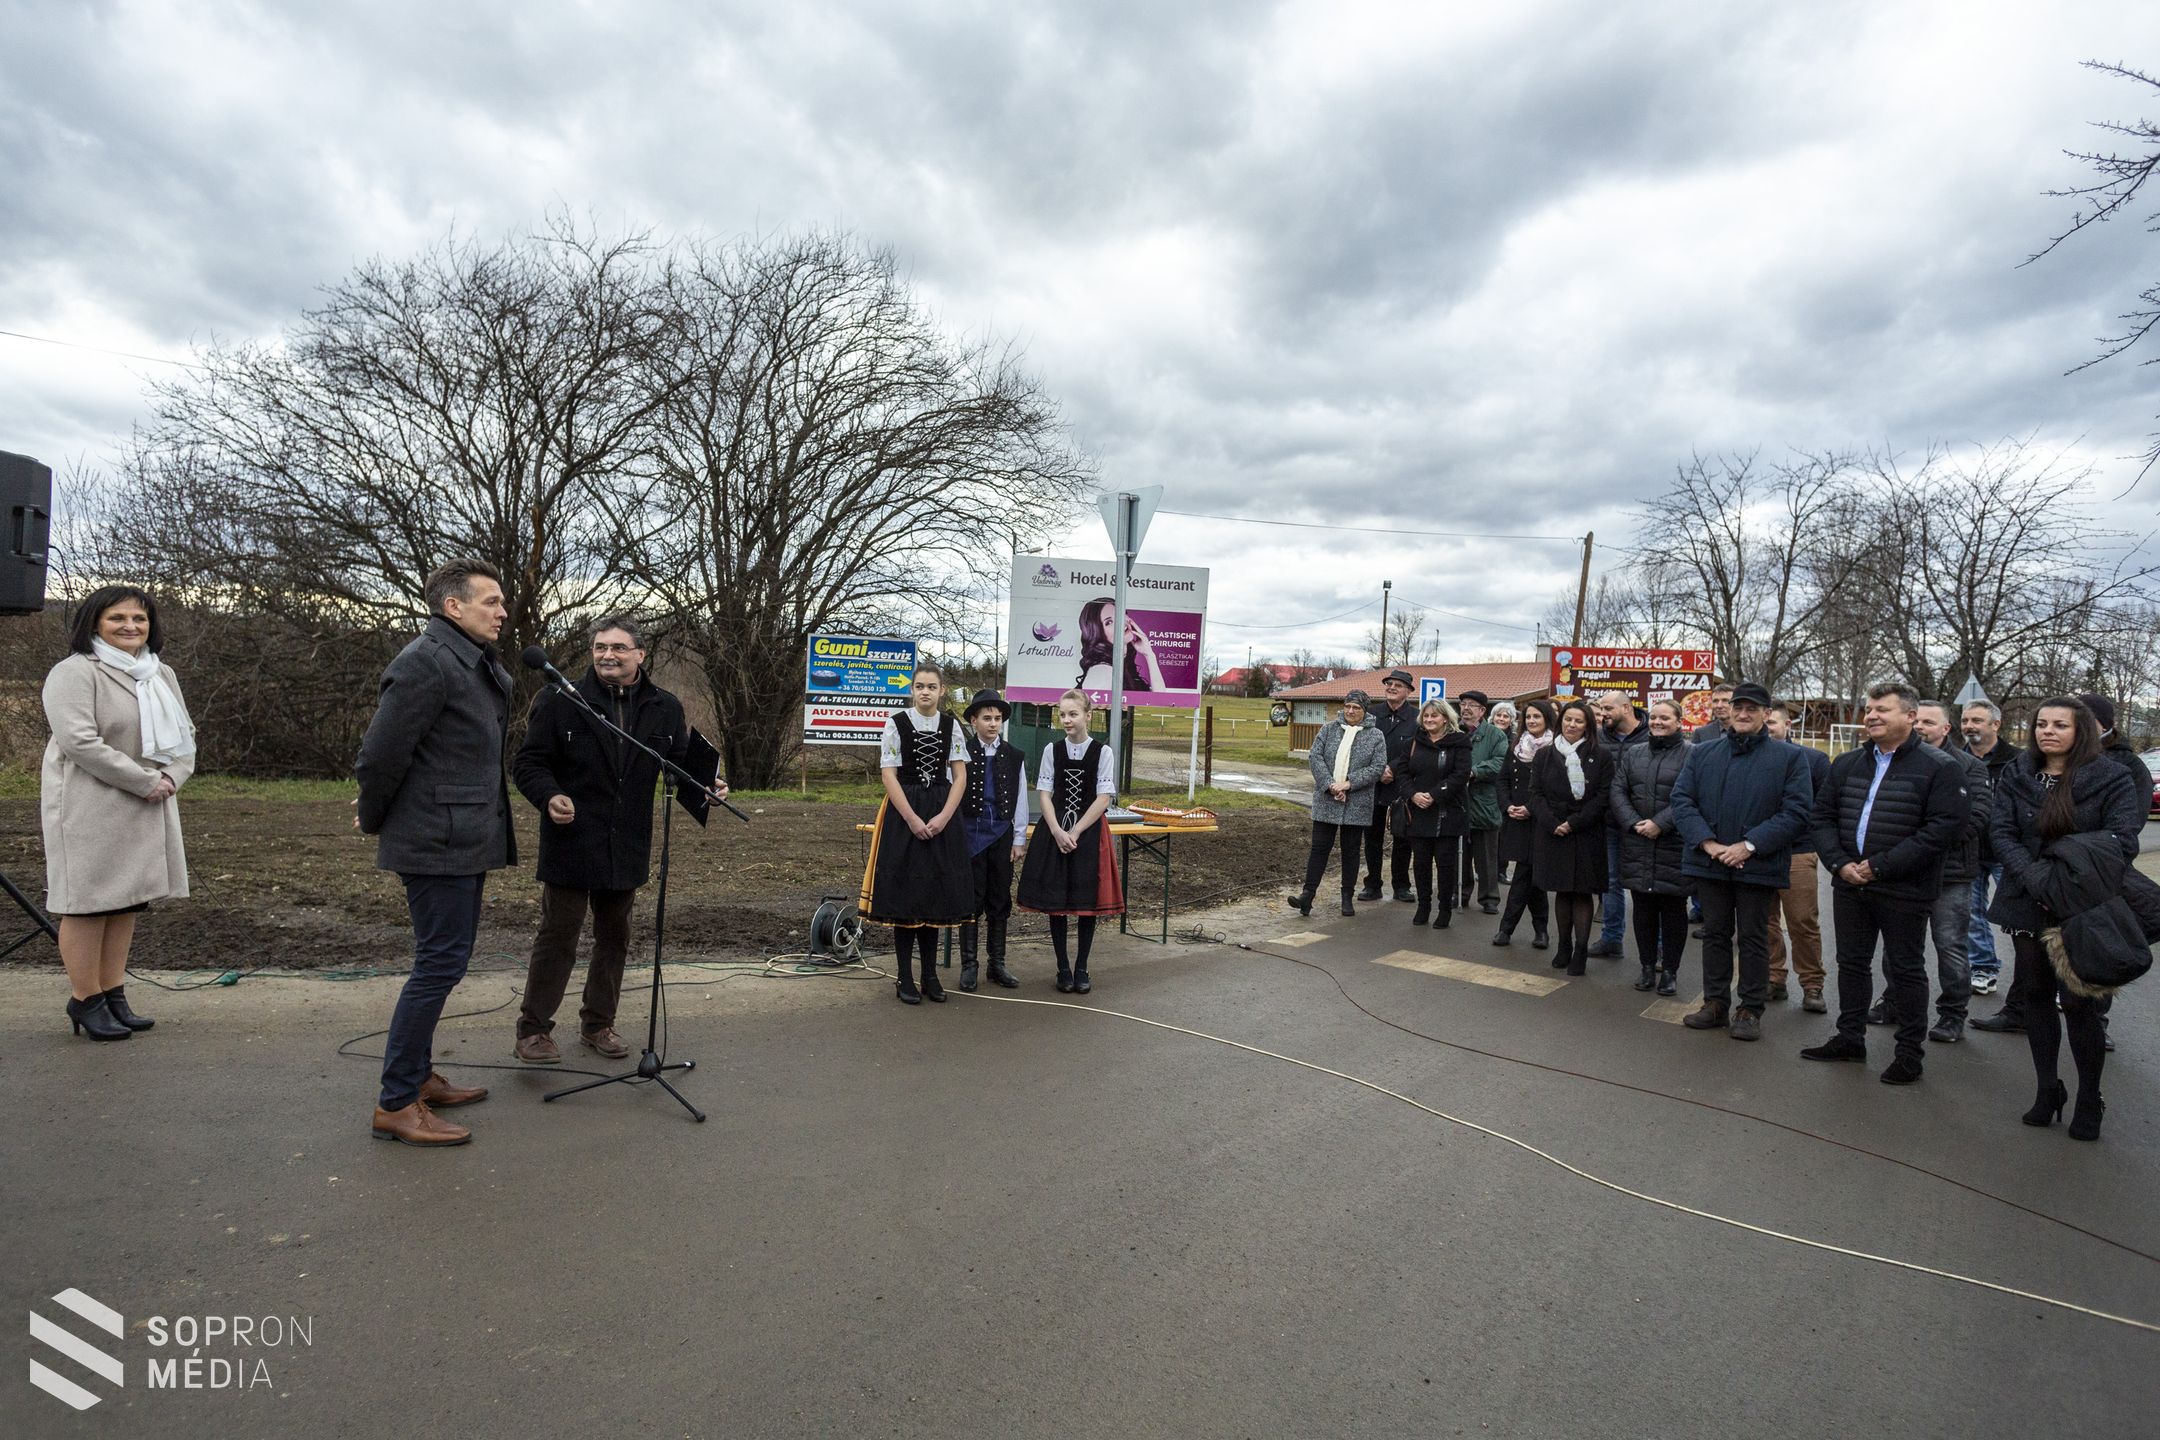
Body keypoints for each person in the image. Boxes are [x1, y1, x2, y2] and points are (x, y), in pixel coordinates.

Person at [355, 559, 517, 1146]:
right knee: (438, 965)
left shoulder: (469, 661)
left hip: (463, 837)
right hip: (434, 840)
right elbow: (380, 755)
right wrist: (376, 818)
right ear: (454, 607)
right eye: (490, 602)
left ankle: (419, 1078)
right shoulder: (425, 663)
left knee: (445, 960)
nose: (502, 612)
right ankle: (396, 1101)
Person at [510, 618, 716, 1064]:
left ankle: (598, 1024)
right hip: (571, 839)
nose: (608, 655)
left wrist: (707, 787)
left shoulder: (665, 707)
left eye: (619, 648)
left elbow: (678, 768)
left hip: (626, 843)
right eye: (601, 647)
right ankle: (533, 1030)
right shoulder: (560, 699)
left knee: (614, 937)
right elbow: (528, 764)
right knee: (558, 935)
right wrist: (549, 796)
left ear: (641, 655)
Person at [41, 585, 196, 1041]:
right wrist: (146, 781)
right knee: (88, 904)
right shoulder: (73, 673)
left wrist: (171, 778)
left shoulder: (159, 673)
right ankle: (85, 998)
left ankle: (113, 993)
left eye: (139, 619)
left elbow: (184, 736)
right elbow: (80, 742)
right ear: (94, 623)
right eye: (117, 618)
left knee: (127, 900)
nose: (131, 626)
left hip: (149, 801)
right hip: (91, 804)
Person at [1987, 697, 2144, 1141]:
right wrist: (2032, 874)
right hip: (2026, 897)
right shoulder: (2018, 772)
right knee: (2035, 995)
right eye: (2041, 723)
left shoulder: (2110, 776)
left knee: (2079, 1005)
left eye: (2060, 724)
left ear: (2083, 732)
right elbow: (2000, 831)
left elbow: (2122, 839)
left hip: (2082, 904)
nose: (2048, 731)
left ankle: (2090, 1096)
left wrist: (2058, 871)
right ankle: (2047, 1088)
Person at [1799, 681, 1969, 1085]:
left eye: (1882, 710)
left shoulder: (1941, 768)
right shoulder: (1846, 764)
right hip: (1850, 885)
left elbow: (1941, 831)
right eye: (1869, 709)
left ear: (1910, 717)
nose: (1871, 715)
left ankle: (1909, 1054)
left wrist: (1879, 866)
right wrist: (1840, 864)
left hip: (1904, 888)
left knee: (1907, 970)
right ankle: (1849, 1038)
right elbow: (1821, 818)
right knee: (1852, 964)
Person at [1669, 682, 1814, 1039]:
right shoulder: (1703, 753)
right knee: (1715, 935)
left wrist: (1749, 846)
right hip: (1711, 861)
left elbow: (1796, 812)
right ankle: (1715, 1004)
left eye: (1752, 709)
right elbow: (1682, 800)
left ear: (1767, 714)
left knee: (1753, 937)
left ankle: (1749, 1009)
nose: (1744, 714)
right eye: (1739, 707)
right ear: (1730, 711)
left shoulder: (1790, 758)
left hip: (1758, 864)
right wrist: (1708, 843)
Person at [861, 664, 975, 1006]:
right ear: (912, 690)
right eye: (919, 686)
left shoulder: (952, 725)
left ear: (942, 690)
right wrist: (911, 818)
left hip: (941, 810)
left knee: (934, 893)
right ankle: (904, 976)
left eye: (931, 686)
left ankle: (930, 974)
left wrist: (943, 817)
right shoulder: (895, 724)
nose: (925, 692)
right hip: (904, 813)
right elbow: (889, 776)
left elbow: (960, 776)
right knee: (907, 893)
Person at [1874, 701, 1989, 1043]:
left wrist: (1926, 844)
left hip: (1950, 874)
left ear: (1946, 729)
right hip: (1903, 871)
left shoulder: (1969, 766)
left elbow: (1976, 817)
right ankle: (1894, 1002)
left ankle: (1952, 1014)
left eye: (1929, 721)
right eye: (1916, 719)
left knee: (1950, 945)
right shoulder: (1897, 761)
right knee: (1898, 945)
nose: (1920, 726)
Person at [1018, 688, 1124, 992]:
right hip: (1055, 831)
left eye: (1073, 714)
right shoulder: (1053, 750)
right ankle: (1062, 967)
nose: (1066, 720)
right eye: (1062, 714)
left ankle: (1082, 967)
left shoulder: (1102, 752)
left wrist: (1076, 831)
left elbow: (1103, 797)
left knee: (1085, 901)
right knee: (1057, 903)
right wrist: (1056, 831)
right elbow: (1045, 794)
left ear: (1088, 716)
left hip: (1088, 833)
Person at [1610, 698, 1691, 995]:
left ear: (1679, 722)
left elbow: (1690, 797)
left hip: (1674, 843)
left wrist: (1660, 823)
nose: (1657, 722)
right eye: (1654, 717)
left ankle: (1670, 971)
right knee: (1642, 908)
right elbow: (1618, 790)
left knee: (1672, 910)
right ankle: (1646, 968)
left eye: (1665, 718)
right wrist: (1634, 823)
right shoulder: (1635, 753)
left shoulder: (1691, 755)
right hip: (1637, 841)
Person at [1528, 701, 1612, 976]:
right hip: (1553, 832)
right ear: (1560, 722)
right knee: (1562, 891)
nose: (1572, 725)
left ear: (1588, 725)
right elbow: (1535, 794)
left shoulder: (1600, 756)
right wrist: (1553, 823)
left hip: (1585, 832)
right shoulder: (1544, 755)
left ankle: (1580, 950)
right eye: (1567, 720)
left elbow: (1602, 796)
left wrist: (1574, 823)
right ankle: (1563, 946)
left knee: (1582, 892)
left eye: (1578, 721)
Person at [1288, 689, 1387, 918]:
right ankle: (1307, 896)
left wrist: (1348, 784)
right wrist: (1331, 784)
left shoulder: (1376, 736)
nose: (1351, 711)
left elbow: (1377, 767)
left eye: (1357, 708)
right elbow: (1316, 757)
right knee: (1319, 848)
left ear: (1364, 711)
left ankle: (1346, 897)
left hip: (1357, 801)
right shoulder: (1328, 729)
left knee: (1351, 851)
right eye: (1348, 706)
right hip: (1327, 797)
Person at [955, 689, 1028, 991]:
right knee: (971, 900)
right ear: (973, 720)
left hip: (1001, 834)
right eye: (987, 718)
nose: (993, 723)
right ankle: (969, 965)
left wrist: (1019, 838)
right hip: (969, 834)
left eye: (997, 718)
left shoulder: (1013, 756)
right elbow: (952, 793)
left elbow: (1021, 796)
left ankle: (996, 964)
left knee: (999, 899)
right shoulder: (960, 752)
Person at [1763, 702, 1830, 1013]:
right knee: (1765, 922)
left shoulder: (1814, 760)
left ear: (1787, 725)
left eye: (1772, 723)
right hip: (1757, 853)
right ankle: (1774, 978)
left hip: (1798, 852)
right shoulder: (1748, 759)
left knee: (1802, 921)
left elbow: (1823, 809)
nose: (1766, 728)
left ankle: (1812, 984)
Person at [1398, 698, 1473, 927]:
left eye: (1434, 716)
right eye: (1426, 716)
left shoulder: (1459, 742)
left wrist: (1434, 794)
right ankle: (1423, 906)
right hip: (1418, 812)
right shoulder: (1413, 742)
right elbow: (1402, 774)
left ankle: (1444, 909)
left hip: (1447, 812)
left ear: (1445, 718)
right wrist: (1413, 794)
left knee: (1445, 865)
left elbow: (1461, 775)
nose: (1429, 720)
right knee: (1420, 864)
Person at [1958, 699, 2015, 997]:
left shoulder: (2018, 760)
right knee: (1971, 913)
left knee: (2020, 915)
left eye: (1976, 720)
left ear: (1995, 724)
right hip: (1969, 850)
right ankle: (1983, 967)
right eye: (1965, 720)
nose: (1969, 726)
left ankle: (2038, 978)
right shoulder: (1954, 759)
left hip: (2007, 851)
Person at [1590, 692, 1650, 957]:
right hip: (1609, 823)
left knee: (1645, 887)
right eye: (1601, 709)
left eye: (1608, 709)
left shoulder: (1652, 736)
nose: (1603, 714)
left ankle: (1656, 950)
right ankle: (1612, 939)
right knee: (1611, 882)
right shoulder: (1601, 737)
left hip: (1644, 825)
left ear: (1626, 708)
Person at [1492, 699, 1555, 949]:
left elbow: (1554, 788)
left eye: (1537, 717)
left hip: (1539, 821)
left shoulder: (1556, 749)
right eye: (1528, 717)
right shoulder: (1517, 746)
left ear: (1547, 719)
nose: (1532, 721)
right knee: (1530, 876)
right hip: (1515, 819)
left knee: (1525, 876)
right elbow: (1502, 780)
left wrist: (1531, 808)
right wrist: (1507, 806)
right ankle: (1540, 932)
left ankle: (1507, 929)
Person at [1361, 669, 1421, 903]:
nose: (1392, 688)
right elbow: (1364, 746)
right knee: (1372, 837)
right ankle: (1373, 885)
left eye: (1398, 685)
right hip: (1374, 785)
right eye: (1389, 684)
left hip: (1402, 784)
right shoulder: (1372, 714)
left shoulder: (1417, 718)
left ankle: (1401, 885)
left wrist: (1393, 769)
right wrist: (1378, 770)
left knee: (1402, 837)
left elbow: (1415, 749)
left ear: (1408, 691)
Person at [1459, 691, 1507, 915]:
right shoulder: (1455, 732)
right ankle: (1460, 893)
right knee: (1460, 853)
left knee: (1486, 855)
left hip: (1484, 802)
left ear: (1482, 711)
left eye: (1471, 705)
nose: (1466, 708)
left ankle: (1489, 898)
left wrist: (1475, 771)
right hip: (1458, 802)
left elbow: (1500, 762)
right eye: (1463, 704)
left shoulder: (1495, 735)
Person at [1076, 597, 1166, 692]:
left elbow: (1160, 701)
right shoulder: (1103, 670)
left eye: (1120, 615)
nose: (1120, 623)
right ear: (1097, 633)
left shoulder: (1123, 667)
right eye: (1109, 622)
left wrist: (1149, 654)